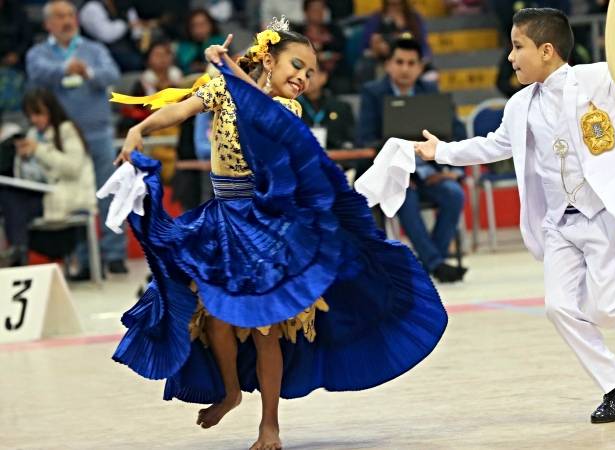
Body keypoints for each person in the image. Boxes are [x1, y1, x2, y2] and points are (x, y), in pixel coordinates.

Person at [110, 23, 447, 450]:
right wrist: (139, 130)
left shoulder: (288, 112)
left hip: (264, 227)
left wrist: (227, 66)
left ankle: (270, 424)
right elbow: (176, 112)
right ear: (268, 60)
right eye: (297, 65)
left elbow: (257, 114)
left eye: (310, 72)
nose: (304, 78)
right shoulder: (220, 89)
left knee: (268, 327)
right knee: (215, 317)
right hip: (219, 222)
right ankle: (231, 391)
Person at [414, 7, 615, 423]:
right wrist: (442, 151)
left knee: (606, 309)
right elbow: (493, 146)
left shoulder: (598, 78)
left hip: (603, 213)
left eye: (517, 47)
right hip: (558, 223)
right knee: (558, 307)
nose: (510, 57)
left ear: (546, 50)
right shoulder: (517, 105)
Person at [26, 0, 125, 279]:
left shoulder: (94, 49)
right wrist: (66, 68)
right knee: (75, 199)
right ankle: (82, 259)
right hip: (64, 136)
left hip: (98, 131)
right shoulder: (39, 52)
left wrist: (88, 73)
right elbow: (37, 72)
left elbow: (112, 73)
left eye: (70, 15)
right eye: (60, 16)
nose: (67, 20)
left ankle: (115, 255)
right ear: (48, 24)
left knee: (111, 193)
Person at [357, 37, 467, 283]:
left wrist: (449, 169)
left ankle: (430, 263)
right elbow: (365, 139)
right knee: (405, 196)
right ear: (388, 65)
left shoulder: (432, 93)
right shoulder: (373, 93)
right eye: (399, 62)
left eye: (411, 63)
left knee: (454, 193)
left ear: (420, 67)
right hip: (394, 174)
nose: (405, 68)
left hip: (431, 173)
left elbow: (457, 134)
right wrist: (405, 171)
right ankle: (436, 264)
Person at [0, 88, 96, 266]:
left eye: (38, 114)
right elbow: (28, 178)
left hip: (67, 197)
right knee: (7, 194)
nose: (34, 120)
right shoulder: (31, 134)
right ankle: (18, 251)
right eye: (30, 115)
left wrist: (39, 150)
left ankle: (18, 253)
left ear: (51, 110)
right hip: (42, 195)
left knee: (12, 203)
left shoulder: (67, 130)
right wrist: (22, 160)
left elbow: (73, 168)